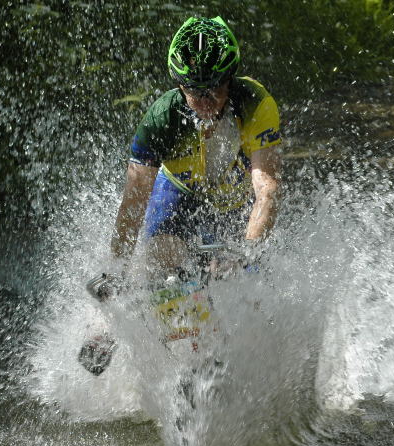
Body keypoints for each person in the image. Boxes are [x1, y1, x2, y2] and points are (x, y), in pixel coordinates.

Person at [109, 15, 282, 281]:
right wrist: (115, 273)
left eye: (213, 90)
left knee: (245, 273)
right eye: (193, 91)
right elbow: (134, 202)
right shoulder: (161, 118)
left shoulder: (255, 103)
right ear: (179, 85)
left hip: (237, 195)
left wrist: (247, 254)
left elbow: (267, 189)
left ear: (229, 80)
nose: (204, 101)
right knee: (159, 261)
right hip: (179, 190)